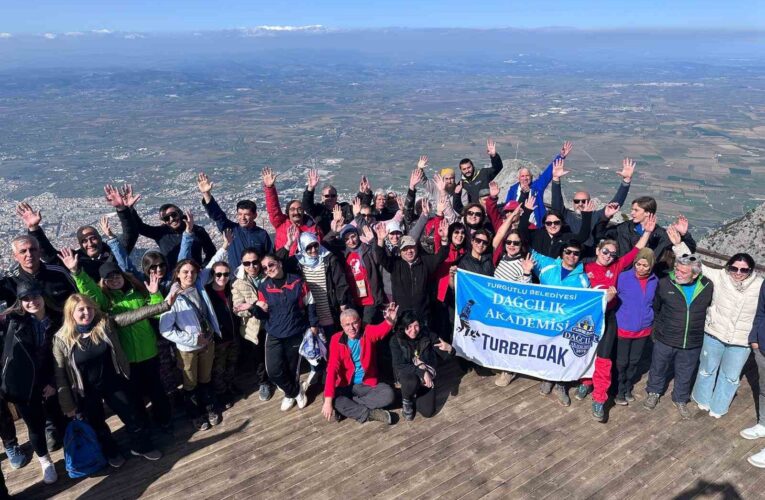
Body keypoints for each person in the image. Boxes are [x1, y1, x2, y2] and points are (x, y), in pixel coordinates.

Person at [59, 249, 173, 433]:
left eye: (116, 275)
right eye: (109, 278)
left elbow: (158, 312)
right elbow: (90, 291)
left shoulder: (138, 293)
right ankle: (144, 424)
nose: (114, 280)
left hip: (149, 351)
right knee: (134, 395)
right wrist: (77, 272)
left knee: (156, 389)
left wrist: (155, 294)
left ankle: (164, 418)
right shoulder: (105, 303)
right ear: (104, 282)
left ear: (123, 275)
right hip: (126, 358)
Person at [53, 293, 170, 468]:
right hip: (86, 390)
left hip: (112, 382)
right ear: (71, 313)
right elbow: (60, 375)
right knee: (97, 423)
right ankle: (111, 452)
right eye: (81, 310)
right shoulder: (61, 339)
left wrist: (165, 305)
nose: (87, 312)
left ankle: (142, 447)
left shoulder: (104, 324)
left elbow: (132, 316)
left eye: (89, 308)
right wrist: (68, 406)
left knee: (133, 416)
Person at [668, 227, 763, 418]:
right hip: (714, 334)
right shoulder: (721, 277)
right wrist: (679, 245)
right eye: (734, 268)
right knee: (706, 370)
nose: (738, 272)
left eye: (744, 269)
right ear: (728, 267)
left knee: (730, 377)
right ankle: (701, 398)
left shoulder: (760, 285)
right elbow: (697, 263)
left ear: (750, 270)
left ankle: (719, 407)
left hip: (741, 341)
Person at [577, 211, 656, 422]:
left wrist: (647, 232)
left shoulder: (617, 267)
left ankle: (599, 399)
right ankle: (586, 381)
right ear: (597, 250)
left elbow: (636, 251)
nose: (609, 256)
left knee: (603, 358)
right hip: (586, 319)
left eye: (612, 253)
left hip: (608, 319)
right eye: (605, 252)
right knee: (584, 352)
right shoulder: (584, 268)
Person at [0, 282, 68, 484]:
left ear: (43, 295)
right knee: (35, 426)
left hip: (52, 380)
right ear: (20, 302)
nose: (32, 302)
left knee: (60, 418)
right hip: (24, 386)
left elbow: (61, 354)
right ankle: (45, 462)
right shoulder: (12, 321)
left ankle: (72, 452)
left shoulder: (58, 319)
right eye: (26, 299)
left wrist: (52, 382)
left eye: (35, 296)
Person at [643, 252, 713, 419]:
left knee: (686, 372)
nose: (677, 274)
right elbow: (657, 308)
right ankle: (653, 392)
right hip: (665, 337)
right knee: (658, 367)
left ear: (695, 274)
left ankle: (680, 398)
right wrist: (657, 331)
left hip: (692, 340)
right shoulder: (665, 283)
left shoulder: (707, 286)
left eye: (683, 272)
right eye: (677, 269)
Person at [253, 254, 318, 411]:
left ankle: (289, 395)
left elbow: (310, 302)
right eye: (265, 267)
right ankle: (295, 392)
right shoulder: (264, 287)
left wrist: (313, 324)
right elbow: (262, 315)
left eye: (271, 264)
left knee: (292, 368)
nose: (269, 269)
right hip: (274, 332)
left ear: (280, 263)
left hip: (295, 330)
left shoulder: (297, 281)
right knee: (273, 371)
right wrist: (256, 309)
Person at [531, 240, 591, 406]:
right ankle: (547, 378)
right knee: (546, 351)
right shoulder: (547, 265)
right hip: (546, 322)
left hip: (567, 325)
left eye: (576, 253)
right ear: (562, 252)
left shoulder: (583, 279)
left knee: (563, 355)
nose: (571, 256)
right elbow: (526, 246)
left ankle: (561, 385)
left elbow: (588, 305)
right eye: (568, 252)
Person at [104, 184, 217, 269]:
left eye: (173, 215)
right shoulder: (161, 233)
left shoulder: (197, 230)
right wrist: (130, 209)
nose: (171, 219)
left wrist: (203, 268)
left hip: (195, 274)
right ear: (163, 222)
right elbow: (140, 228)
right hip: (172, 276)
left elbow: (211, 252)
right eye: (166, 218)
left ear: (180, 213)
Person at [322, 305, 399, 424]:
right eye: (347, 325)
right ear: (342, 326)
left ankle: (351, 407)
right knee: (330, 399)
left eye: (354, 323)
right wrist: (328, 401)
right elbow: (332, 368)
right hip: (344, 384)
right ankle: (370, 414)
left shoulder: (367, 332)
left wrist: (390, 320)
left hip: (366, 383)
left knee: (389, 394)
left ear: (360, 322)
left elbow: (381, 330)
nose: (351, 328)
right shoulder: (336, 340)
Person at [16, 202, 114, 282]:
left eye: (93, 238)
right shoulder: (75, 258)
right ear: (80, 244)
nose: (90, 244)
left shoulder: (113, 252)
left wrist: (123, 209)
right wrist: (34, 228)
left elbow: (128, 235)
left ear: (100, 238)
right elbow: (50, 255)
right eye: (84, 241)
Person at [550, 157, 635, 249]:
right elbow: (556, 203)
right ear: (573, 203)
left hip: (589, 255)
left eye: (584, 201)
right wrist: (556, 179)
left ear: (590, 202)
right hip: (570, 254)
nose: (580, 204)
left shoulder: (596, 216)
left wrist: (626, 181)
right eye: (577, 201)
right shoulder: (567, 216)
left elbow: (614, 205)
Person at [375, 220, 450, 322]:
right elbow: (381, 257)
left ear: (416, 248)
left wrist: (444, 238)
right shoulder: (395, 264)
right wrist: (380, 240)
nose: (409, 251)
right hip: (402, 316)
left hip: (423, 314)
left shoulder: (426, 262)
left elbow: (442, 256)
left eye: (412, 247)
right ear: (400, 251)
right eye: (405, 249)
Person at [197, 172, 273, 268]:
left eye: (246, 215)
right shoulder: (231, 230)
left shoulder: (262, 234)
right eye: (239, 214)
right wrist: (206, 194)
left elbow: (269, 257)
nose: (242, 218)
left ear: (255, 215)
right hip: (236, 278)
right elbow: (217, 215)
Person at [390, 310, 456, 420]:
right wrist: (422, 372)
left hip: (427, 376)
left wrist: (450, 349)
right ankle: (407, 400)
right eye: (409, 326)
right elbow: (399, 365)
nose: (413, 330)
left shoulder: (427, 334)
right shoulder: (396, 340)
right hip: (408, 375)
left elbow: (445, 355)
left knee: (427, 412)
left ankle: (417, 393)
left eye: (416, 326)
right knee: (411, 381)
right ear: (403, 326)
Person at [614, 248, 658, 405]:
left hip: (643, 329)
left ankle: (627, 387)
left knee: (634, 361)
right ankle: (619, 390)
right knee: (622, 361)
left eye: (645, 265)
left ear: (651, 266)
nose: (640, 268)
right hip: (624, 327)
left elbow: (654, 303)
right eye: (638, 264)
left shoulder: (654, 281)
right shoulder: (623, 277)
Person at [598, 195, 696, 261]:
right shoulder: (624, 228)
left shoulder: (660, 234)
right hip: (624, 273)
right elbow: (600, 234)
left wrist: (684, 234)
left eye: (636, 210)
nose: (632, 213)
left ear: (647, 213)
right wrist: (605, 217)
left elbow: (689, 251)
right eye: (632, 209)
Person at [231, 248, 272, 402]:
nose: (252, 266)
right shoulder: (238, 284)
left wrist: (250, 305)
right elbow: (238, 309)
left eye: (255, 262)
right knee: (258, 358)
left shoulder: (268, 275)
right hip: (253, 329)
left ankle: (278, 377)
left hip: (271, 324)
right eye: (247, 263)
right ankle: (263, 382)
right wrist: (255, 306)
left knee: (274, 354)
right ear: (242, 264)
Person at [0, 235, 76, 313]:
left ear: (40, 252)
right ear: (15, 256)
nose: (29, 254)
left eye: (33, 250)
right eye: (23, 251)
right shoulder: (10, 280)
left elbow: (78, 298)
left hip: (62, 323)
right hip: (26, 324)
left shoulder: (58, 273)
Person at [504, 141, 572, 225]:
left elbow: (547, 174)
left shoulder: (536, 187)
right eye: (522, 176)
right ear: (518, 178)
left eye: (527, 176)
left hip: (535, 224)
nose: (525, 178)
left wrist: (561, 157)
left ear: (531, 177)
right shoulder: (513, 189)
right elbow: (507, 206)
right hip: (517, 223)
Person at [206, 260, 243, 410]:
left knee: (231, 364)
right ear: (212, 275)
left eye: (226, 274)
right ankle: (221, 393)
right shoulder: (207, 293)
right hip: (219, 339)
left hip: (233, 335)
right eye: (218, 274)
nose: (222, 277)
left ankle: (229, 386)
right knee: (218, 369)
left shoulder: (231, 289)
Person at [261, 167, 322, 256]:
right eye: (292, 209)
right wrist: (270, 188)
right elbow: (273, 209)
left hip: (307, 265)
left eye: (299, 209)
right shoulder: (281, 224)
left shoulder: (313, 227)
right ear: (287, 213)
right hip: (286, 263)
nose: (296, 212)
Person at [519, 194, 594, 258]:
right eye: (549, 223)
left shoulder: (566, 237)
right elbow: (521, 230)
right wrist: (527, 211)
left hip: (555, 272)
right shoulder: (536, 235)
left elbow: (583, 237)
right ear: (544, 224)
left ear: (561, 223)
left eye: (556, 222)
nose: (553, 225)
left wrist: (587, 215)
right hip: (536, 270)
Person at [743, 281, 765, 468]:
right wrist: (754, 339)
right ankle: (763, 424)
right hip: (763, 349)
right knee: (764, 391)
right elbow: (761, 311)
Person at [301, 169, 353, 235]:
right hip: (323, 242)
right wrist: (310, 188)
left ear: (337, 197)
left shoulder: (345, 208)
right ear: (322, 198)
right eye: (327, 196)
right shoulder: (318, 210)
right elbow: (306, 205)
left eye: (333, 196)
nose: (330, 198)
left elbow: (361, 208)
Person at [456, 138, 504, 203]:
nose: (467, 170)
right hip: (474, 212)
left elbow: (498, 168)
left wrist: (494, 156)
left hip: (488, 208)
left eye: (469, 167)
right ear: (461, 170)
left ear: (472, 166)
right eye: (464, 169)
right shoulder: (461, 184)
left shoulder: (484, 173)